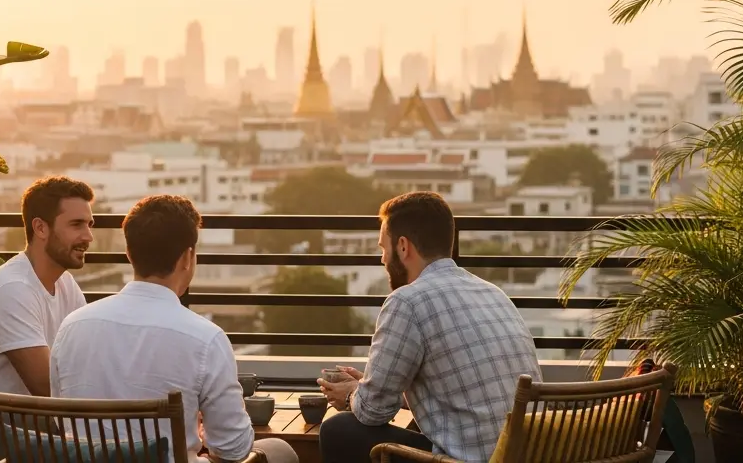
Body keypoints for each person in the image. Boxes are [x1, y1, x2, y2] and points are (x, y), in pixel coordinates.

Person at [50, 195, 297, 463]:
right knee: (279, 450)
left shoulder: (72, 327)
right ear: (187, 257)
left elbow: (60, 421)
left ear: (129, 254)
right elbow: (233, 449)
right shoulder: (205, 339)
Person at [317, 191, 543, 463]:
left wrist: (353, 394)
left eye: (382, 248)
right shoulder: (493, 293)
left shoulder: (407, 301)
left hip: (471, 460)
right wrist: (373, 386)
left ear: (403, 246)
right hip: (526, 454)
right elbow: (460, 398)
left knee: (338, 430)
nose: (382, 259)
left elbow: (372, 411)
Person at [0, 176, 94, 463]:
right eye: (76, 225)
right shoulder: (13, 290)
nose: (88, 236)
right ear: (40, 228)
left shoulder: (65, 284)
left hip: (28, 420)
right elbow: (47, 387)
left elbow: (88, 358)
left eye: (89, 224)